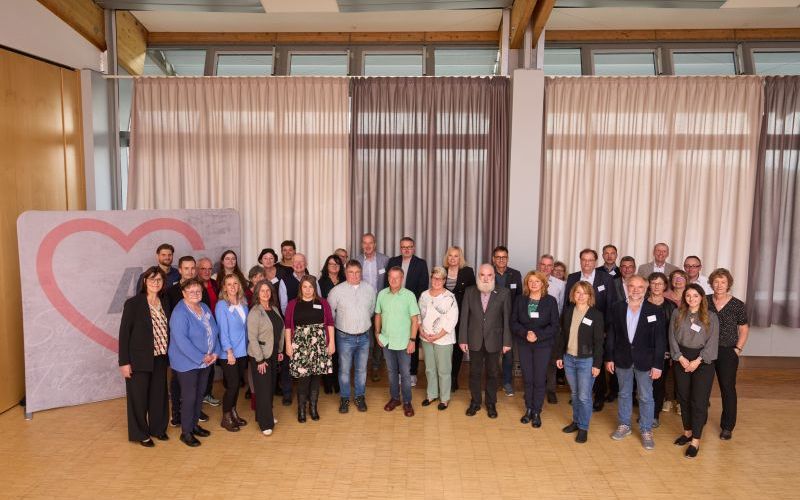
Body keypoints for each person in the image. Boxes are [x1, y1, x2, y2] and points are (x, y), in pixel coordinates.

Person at [606, 275, 665, 450]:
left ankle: (646, 430)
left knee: (646, 396)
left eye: (640, 287)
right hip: (622, 358)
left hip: (646, 361)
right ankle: (624, 425)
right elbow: (611, 335)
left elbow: (660, 340)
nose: (636, 290)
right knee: (624, 394)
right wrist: (609, 357)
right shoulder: (617, 307)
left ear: (646, 289)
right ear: (626, 287)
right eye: (632, 286)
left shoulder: (655, 310)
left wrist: (658, 364)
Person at [118, 266, 171, 447]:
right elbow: (124, 334)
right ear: (145, 281)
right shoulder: (133, 304)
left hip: (160, 357)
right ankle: (140, 433)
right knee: (138, 398)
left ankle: (158, 429)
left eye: (159, 280)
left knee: (159, 395)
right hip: (138, 359)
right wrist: (124, 362)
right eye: (152, 279)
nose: (156, 283)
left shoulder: (165, 301)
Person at [168, 278, 220, 447]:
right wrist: (201, 357)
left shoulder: (204, 307)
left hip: (206, 361)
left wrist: (216, 352)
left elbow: (214, 331)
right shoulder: (179, 313)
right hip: (187, 363)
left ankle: (194, 425)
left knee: (199, 394)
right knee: (189, 397)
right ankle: (186, 432)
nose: (195, 294)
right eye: (191, 291)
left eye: (198, 291)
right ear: (183, 293)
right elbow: (181, 341)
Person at [670, 283, 719, 458]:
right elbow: (672, 337)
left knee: (699, 401)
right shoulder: (677, 313)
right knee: (683, 398)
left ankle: (695, 441)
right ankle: (687, 432)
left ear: (701, 298)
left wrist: (697, 361)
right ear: (684, 297)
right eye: (688, 295)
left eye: (695, 295)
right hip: (681, 359)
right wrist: (680, 358)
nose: (691, 299)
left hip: (703, 361)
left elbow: (712, 342)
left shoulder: (711, 316)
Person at [565, 248, 618, 411]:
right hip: (577, 328)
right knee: (577, 362)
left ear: (595, 262)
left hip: (598, 329)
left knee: (596, 362)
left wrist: (606, 329)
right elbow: (568, 304)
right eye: (584, 259)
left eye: (590, 260)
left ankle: (599, 396)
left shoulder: (606, 278)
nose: (587, 263)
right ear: (580, 261)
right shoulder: (573, 277)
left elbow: (611, 305)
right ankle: (579, 395)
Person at [459, 264, 512, 419]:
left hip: (494, 340)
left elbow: (506, 319)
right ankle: (475, 402)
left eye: (489, 275)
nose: (486, 278)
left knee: (493, 373)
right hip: (474, 339)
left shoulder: (504, 293)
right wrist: (463, 339)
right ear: (478, 276)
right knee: (474, 373)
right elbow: (464, 317)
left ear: (494, 276)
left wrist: (507, 342)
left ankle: (491, 403)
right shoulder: (470, 292)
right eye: (482, 275)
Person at [554, 282, 604, 443]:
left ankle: (583, 427)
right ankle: (576, 422)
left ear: (590, 296)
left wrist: (597, 364)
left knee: (584, 396)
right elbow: (562, 335)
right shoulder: (568, 311)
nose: (581, 296)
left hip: (586, 361)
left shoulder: (596, 315)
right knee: (575, 394)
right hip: (569, 358)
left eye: (585, 293)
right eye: (578, 292)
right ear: (573, 294)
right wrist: (559, 356)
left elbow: (599, 342)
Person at [510, 271, 560, 428]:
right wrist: (525, 333)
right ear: (527, 283)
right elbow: (513, 322)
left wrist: (537, 335)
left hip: (543, 345)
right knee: (528, 378)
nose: (533, 284)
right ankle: (529, 409)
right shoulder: (520, 300)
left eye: (537, 281)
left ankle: (537, 411)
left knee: (539, 378)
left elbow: (555, 326)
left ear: (543, 283)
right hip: (524, 343)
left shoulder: (550, 301)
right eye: (530, 281)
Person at [165, 256, 210, 425]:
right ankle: (177, 414)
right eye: (186, 268)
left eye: (193, 268)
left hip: (201, 348)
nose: (190, 272)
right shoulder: (171, 292)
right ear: (179, 270)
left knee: (196, 387)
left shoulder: (200, 290)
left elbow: (206, 317)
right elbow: (170, 320)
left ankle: (194, 414)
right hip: (181, 348)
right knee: (178, 383)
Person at [327, 260, 376, 413]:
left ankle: (360, 396)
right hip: (344, 337)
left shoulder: (369, 289)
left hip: (364, 337)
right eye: (350, 272)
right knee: (344, 370)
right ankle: (345, 398)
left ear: (361, 273)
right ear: (345, 273)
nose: (354, 275)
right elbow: (330, 315)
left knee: (361, 370)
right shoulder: (336, 291)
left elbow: (371, 310)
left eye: (357, 272)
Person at [284, 276, 335, 423]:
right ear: (301, 288)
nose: (307, 290)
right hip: (300, 345)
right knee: (303, 378)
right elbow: (288, 326)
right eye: (305, 287)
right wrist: (288, 344)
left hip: (319, 344)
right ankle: (301, 409)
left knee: (316, 377)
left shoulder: (323, 303)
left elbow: (330, 323)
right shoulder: (293, 304)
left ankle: (313, 408)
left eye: (310, 287)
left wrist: (331, 343)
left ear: (315, 288)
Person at [707, 268, 749, 440]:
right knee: (702, 388)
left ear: (728, 284)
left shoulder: (737, 304)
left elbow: (744, 329)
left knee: (727, 388)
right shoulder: (704, 301)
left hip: (727, 350)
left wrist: (737, 349)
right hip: (706, 350)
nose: (719, 285)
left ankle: (727, 426)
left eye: (723, 282)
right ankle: (699, 421)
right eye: (716, 282)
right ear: (711, 284)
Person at [375, 267, 420, 417]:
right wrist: (377, 334)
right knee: (391, 372)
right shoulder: (382, 294)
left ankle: (407, 402)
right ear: (388, 278)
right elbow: (378, 315)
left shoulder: (409, 295)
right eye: (391, 277)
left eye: (397, 277)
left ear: (402, 278)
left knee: (405, 374)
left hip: (404, 342)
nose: (393, 280)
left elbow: (415, 320)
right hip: (387, 341)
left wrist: (412, 340)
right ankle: (395, 398)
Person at [385, 237, 429, 387]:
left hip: (411, 306)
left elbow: (423, 287)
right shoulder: (393, 261)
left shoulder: (421, 263)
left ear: (414, 248)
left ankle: (412, 373)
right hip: (393, 306)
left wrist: (410, 304)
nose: (406, 249)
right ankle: (398, 372)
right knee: (396, 339)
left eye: (409, 247)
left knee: (412, 339)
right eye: (404, 247)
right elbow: (386, 283)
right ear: (400, 248)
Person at [247, 280, 284, 436]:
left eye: (268, 290)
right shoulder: (255, 312)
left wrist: (280, 350)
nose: (265, 293)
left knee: (270, 387)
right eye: (262, 290)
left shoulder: (274, 308)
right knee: (263, 389)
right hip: (260, 356)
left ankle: (265, 414)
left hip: (273, 353)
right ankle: (265, 423)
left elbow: (279, 330)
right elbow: (252, 338)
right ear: (257, 293)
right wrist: (260, 360)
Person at [418, 267, 459, 410]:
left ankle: (445, 398)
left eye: (440, 279)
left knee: (444, 370)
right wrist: (422, 332)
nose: (436, 281)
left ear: (444, 280)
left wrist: (437, 336)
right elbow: (418, 315)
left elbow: (452, 321)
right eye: (434, 278)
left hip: (443, 339)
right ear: (431, 278)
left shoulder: (450, 297)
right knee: (430, 368)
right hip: (426, 338)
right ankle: (432, 394)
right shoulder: (424, 295)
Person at [215, 274, 250, 432]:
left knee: (237, 386)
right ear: (224, 287)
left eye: (235, 283)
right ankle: (226, 417)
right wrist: (229, 352)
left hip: (242, 351)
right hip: (229, 353)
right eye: (229, 284)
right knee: (233, 384)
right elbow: (222, 331)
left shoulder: (243, 303)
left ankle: (233, 412)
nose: (232, 286)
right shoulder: (221, 305)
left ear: (239, 286)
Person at [356, 232, 390, 383]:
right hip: (362, 305)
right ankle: (361, 366)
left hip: (380, 305)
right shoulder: (356, 261)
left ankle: (375, 367)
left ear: (375, 244)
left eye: (370, 243)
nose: (368, 246)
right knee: (363, 335)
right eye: (365, 243)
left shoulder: (385, 260)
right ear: (362, 245)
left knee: (378, 337)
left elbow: (389, 282)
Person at [442, 246, 476, 392]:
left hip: (461, 315)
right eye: (450, 255)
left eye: (456, 256)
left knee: (457, 347)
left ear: (460, 257)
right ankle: (444, 377)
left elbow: (473, 294)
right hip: (443, 315)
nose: (453, 258)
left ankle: (454, 377)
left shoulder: (467, 272)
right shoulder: (442, 270)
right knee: (444, 347)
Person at [491, 245, 522, 397]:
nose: (501, 260)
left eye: (504, 257)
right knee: (491, 352)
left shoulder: (515, 274)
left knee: (508, 353)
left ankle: (507, 382)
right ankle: (492, 381)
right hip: (491, 320)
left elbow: (520, 298)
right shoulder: (488, 273)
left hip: (510, 320)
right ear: (493, 259)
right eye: (498, 257)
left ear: (507, 259)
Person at [647, 272, 677, 427]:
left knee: (658, 385)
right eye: (653, 283)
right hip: (643, 351)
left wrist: (669, 351)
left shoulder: (671, 306)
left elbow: (674, 333)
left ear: (665, 286)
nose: (656, 286)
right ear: (649, 285)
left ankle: (654, 415)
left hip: (662, 352)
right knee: (644, 385)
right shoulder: (641, 303)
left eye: (660, 283)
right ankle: (646, 413)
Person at [540, 254, 566, 404]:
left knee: (551, 360)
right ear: (539, 265)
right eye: (543, 265)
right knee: (535, 361)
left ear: (552, 267)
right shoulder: (531, 280)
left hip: (552, 327)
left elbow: (561, 306)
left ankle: (551, 390)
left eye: (549, 265)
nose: (546, 268)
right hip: (535, 328)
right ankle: (535, 389)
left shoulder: (560, 284)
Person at [318, 254, 345, 394]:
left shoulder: (345, 281)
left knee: (340, 354)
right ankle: (328, 383)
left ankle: (338, 383)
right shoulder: (321, 282)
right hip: (326, 323)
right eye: (331, 264)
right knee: (328, 353)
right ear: (326, 266)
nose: (334, 266)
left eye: (337, 264)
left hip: (343, 322)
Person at [197, 257, 221, 408]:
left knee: (211, 364)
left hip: (214, 327)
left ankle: (207, 393)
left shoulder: (214, 284)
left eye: (209, 269)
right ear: (197, 270)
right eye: (203, 269)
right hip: (200, 330)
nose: (207, 272)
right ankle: (197, 399)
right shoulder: (194, 286)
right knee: (200, 364)